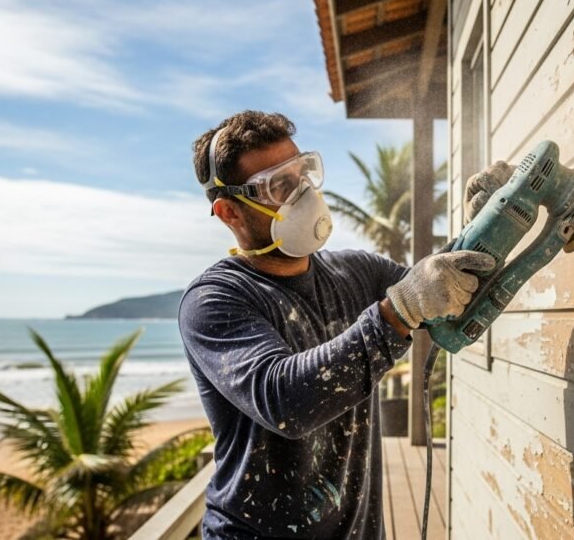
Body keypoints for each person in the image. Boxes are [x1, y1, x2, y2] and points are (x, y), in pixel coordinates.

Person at [178, 110, 509, 539]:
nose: (302, 193)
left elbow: (449, 296)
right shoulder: (214, 301)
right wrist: (398, 311)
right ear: (230, 213)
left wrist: (488, 227)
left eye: (303, 174)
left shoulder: (358, 272)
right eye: (278, 185)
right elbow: (285, 401)